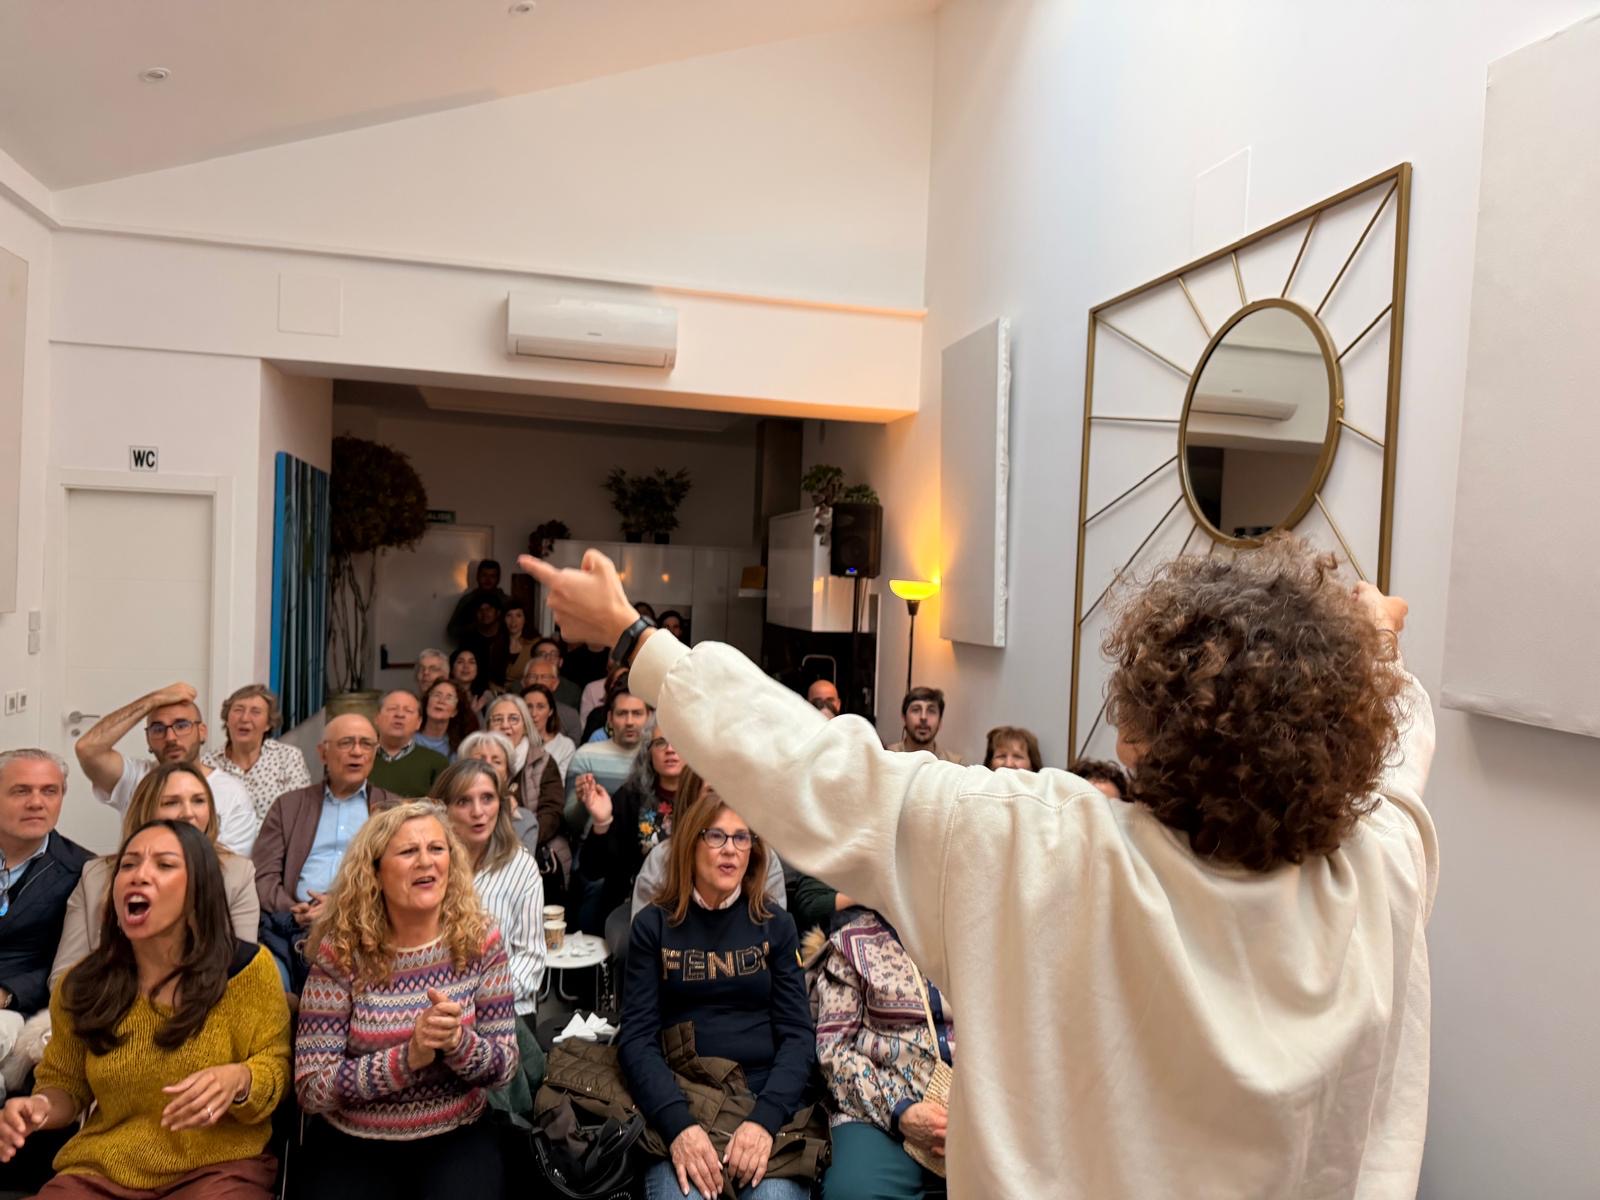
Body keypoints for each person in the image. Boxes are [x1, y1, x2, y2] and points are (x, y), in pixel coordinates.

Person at [522, 540, 1434, 1198]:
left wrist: (635, 639)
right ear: (1342, 746)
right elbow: (1400, 769)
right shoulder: (1380, 872)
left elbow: (815, 766)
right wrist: (1378, 657)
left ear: (1141, 738)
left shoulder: (1042, 845)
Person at [0, 820, 290, 1198]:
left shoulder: (247, 970)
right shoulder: (81, 983)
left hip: (216, 1170)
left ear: (197, 890)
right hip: (104, 1169)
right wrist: (37, 1106)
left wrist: (237, 1080)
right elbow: (66, 1085)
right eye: (129, 865)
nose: (139, 876)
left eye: (165, 865)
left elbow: (276, 1068)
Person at [295, 801, 519, 1200]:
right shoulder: (341, 953)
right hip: (353, 1141)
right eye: (407, 851)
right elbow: (312, 1088)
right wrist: (406, 1059)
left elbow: (504, 1068)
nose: (425, 862)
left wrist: (457, 1043)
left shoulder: (479, 942)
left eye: (436, 849)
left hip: (456, 1132)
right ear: (375, 873)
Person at [618, 789, 815, 1200]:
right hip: (683, 1098)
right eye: (717, 837)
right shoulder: (653, 926)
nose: (731, 850)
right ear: (691, 844)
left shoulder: (775, 924)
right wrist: (679, 1127)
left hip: (763, 1101)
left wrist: (764, 1122)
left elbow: (798, 1037)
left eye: (742, 838)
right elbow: (636, 1040)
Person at [51, 762, 259, 991]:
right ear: (145, 810)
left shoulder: (237, 873)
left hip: (199, 1011)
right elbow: (64, 977)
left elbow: (241, 973)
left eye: (198, 801)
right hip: (103, 1008)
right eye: (172, 802)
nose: (188, 813)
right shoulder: (96, 874)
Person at [810, 909, 954, 1199]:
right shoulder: (852, 943)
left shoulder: (984, 936)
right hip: (880, 1112)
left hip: (982, 1104)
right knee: (853, 1192)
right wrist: (900, 1112)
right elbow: (834, 1052)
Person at [251, 714, 398, 992]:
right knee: (265, 982)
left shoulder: (392, 809)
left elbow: (398, 879)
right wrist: (294, 909)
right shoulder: (289, 806)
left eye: (366, 744)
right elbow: (264, 874)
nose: (357, 751)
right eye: (346, 743)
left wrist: (340, 907)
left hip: (364, 929)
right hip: (293, 926)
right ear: (323, 753)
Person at [74, 682, 259, 855]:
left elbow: (230, 870)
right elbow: (88, 749)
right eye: (158, 729)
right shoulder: (135, 777)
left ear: (202, 732)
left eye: (182, 725)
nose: (170, 737)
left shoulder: (231, 793)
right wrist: (152, 700)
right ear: (147, 739)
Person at [432, 760, 546, 1018]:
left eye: (487, 798)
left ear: (501, 804)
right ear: (443, 809)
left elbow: (530, 958)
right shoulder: (429, 866)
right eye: (463, 801)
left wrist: (480, 1006)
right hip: (435, 1008)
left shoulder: (521, 866)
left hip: (507, 1009)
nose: (478, 812)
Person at [0, 750, 92, 1019]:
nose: (36, 803)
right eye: (21, 791)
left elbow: (77, 965)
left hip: (18, 1009)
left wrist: (8, 993)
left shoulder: (83, 871)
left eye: (49, 791)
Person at [574, 733, 687, 937]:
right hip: (638, 905)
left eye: (678, 740)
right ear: (648, 751)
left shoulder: (707, 798)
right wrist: (602, 822)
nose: (670, 749)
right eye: (660, 742)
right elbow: (592, 870)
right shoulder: (630, 797)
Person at [202, 684, 312, 823]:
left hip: (276, 843)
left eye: (255, 712)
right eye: (238, 710)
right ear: (227, 720)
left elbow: (300, 813)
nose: (244, 718)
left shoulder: (288, 758)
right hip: (222, 843)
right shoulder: (207, 764)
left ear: (268, 724)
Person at [565, 680, 651, 831]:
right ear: (610, 719)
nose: (629, 722)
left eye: (637, 713)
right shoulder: (586, 756)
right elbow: (571, 823)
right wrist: (581, 801)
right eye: (622, 714)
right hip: (595, 843)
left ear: (648, 717)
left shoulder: (657, 756)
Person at [484, 694, 564, 848]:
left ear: (525, 726)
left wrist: (521, 842)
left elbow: (552, 813)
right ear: (488, 727)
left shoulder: (543, 761)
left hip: (531, 844)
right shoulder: (475, 761)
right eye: (498, 719)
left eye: (513, 719)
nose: (505, 726)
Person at [369, 689, 450, 798]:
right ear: (376, 718)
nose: (399, 714)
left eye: (408, 711)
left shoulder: (437, 762)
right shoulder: (360, 757)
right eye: (392, 709)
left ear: (419, 722)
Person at [886, 689, 962, 764]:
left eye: (931, 711)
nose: (923, 717)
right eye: (916, 710)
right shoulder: (886, 757)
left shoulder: (955, 764)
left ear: (940, 722)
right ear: (904, 719)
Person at [520, 681, 577, 780]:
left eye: (540, 707)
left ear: (550, 711)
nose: (534, 714)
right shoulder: (514, 741)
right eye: (528, 706)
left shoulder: (565, 745)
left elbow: (558, 785)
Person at [445, 558, 510, 646]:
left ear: (498, 579)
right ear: (478, 576)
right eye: (484, 575)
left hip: (501, 650)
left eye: (492, 576)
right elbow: (452, 630)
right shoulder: (467, 600)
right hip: (472, 650)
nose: (488, 580)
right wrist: (475, 627)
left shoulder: (506, 601)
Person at [523, 655, 583, 746]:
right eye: (532, 676)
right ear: (524, 682)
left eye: (545, 677)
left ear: (555, 684)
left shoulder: (570, 715)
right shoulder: (511, 711)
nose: (538, 681)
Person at [417, 679, 478, 759]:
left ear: (455, 712)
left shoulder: (460, 747)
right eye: (437, 695)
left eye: (449, 698)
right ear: (427, 703)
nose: (441, 701)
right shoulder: (407, 739)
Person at [460, 596, 511, 692]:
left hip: (502, 691)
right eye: (480, 610)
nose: (484, 613)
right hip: (474, 690)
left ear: (498, 613)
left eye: (489, 609)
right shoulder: (468, 638)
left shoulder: (506, 635)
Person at [529, 636, 585, 713]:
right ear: (532, 660)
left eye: (553, 655)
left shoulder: (572, 690)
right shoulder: (517, 687)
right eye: (542, 654)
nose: (548, 658)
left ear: (560, 662)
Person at [449, 648, 498, 720]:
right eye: (460, 662)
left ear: (477, 669)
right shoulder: (445, 693)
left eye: (471, 662)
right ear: (452, 669)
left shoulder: (485, 696)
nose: (466, 666)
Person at [501, 603, 536, 689]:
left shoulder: (535, 644)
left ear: (525, 619)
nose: (513, 620)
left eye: (518, 615)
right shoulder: (495, 644)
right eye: (509, 615)